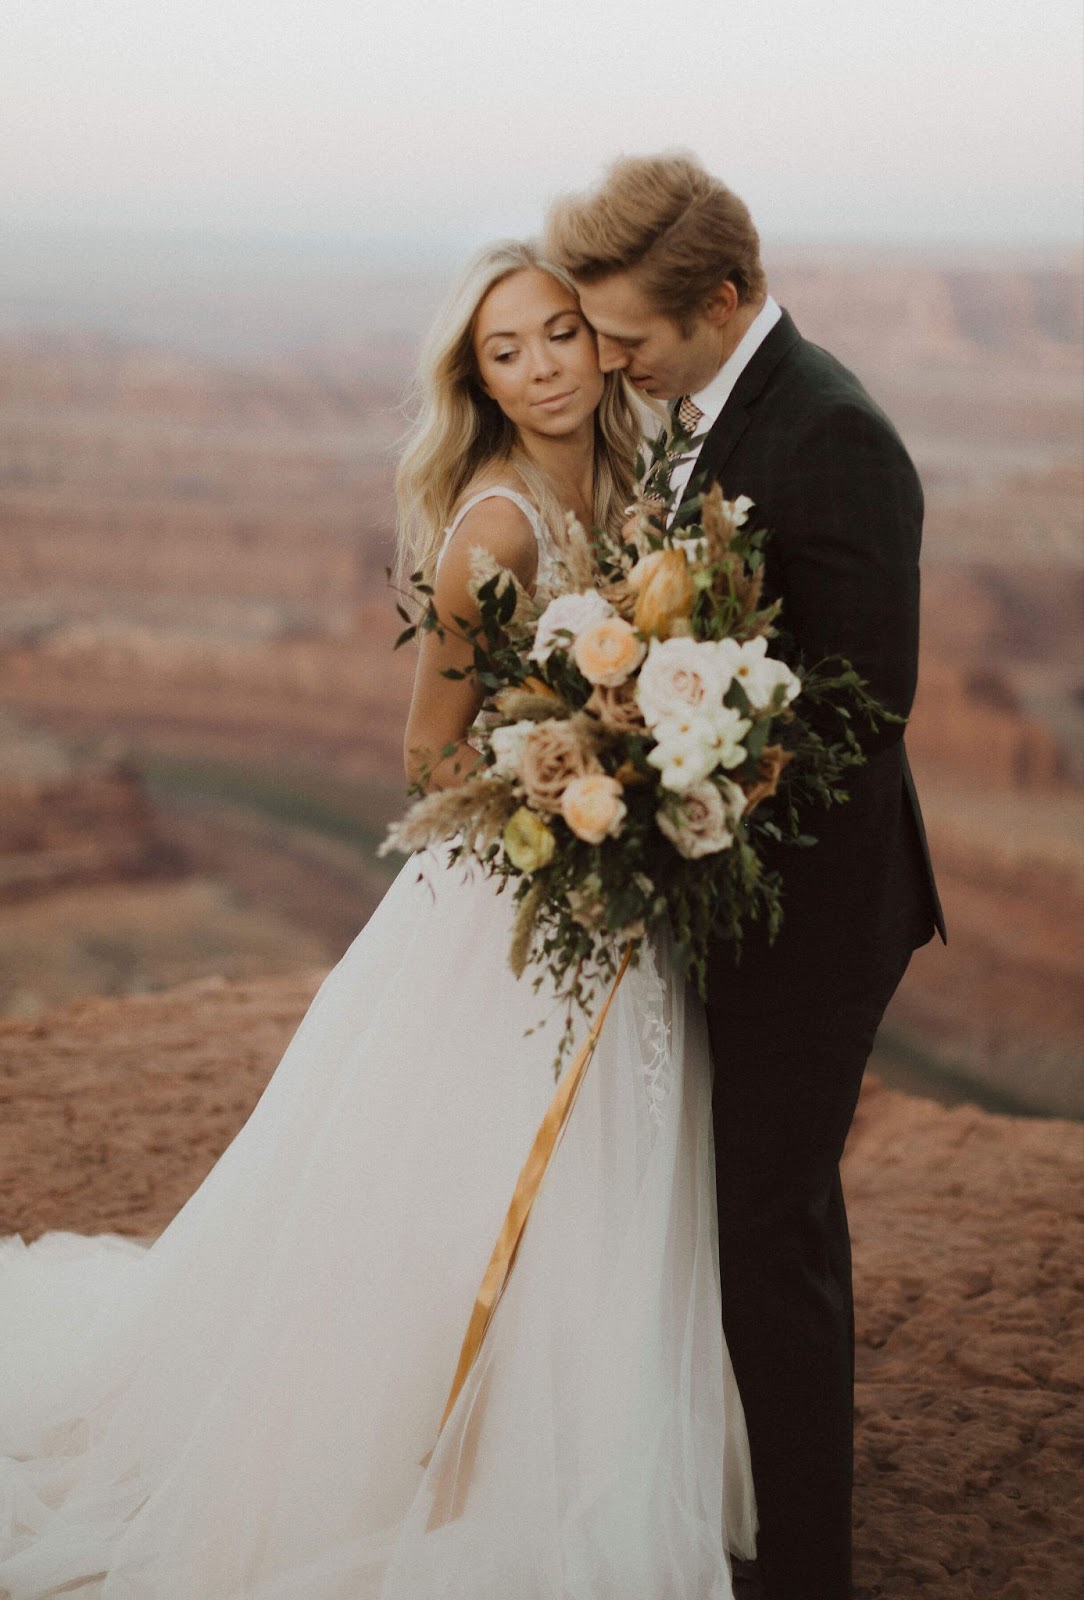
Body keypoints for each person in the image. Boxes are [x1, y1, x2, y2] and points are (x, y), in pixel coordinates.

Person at [0, 242, 757, 1600]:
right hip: (516, 903)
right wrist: (567, 782)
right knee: (462, 1188)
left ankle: (580, 1447)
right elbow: (429, 751)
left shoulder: (649, 489)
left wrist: (660, 768)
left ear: (600, 344)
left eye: (558, 337)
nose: (538, 370)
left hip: (627, 896)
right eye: (504, 353)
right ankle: (430, 1466)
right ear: (477, 381)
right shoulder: (497, 526)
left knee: (618, 1183)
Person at [546, 155, 946, 1600]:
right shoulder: (706, 415)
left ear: (722, 299)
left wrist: (671, 799)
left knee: (770, 1235)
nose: (616, 366)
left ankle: (808, 1574)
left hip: (813, 923)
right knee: (732, 1223)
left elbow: (858, 713)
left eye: (633, 341)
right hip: (727, 901)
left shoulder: (832, 432)